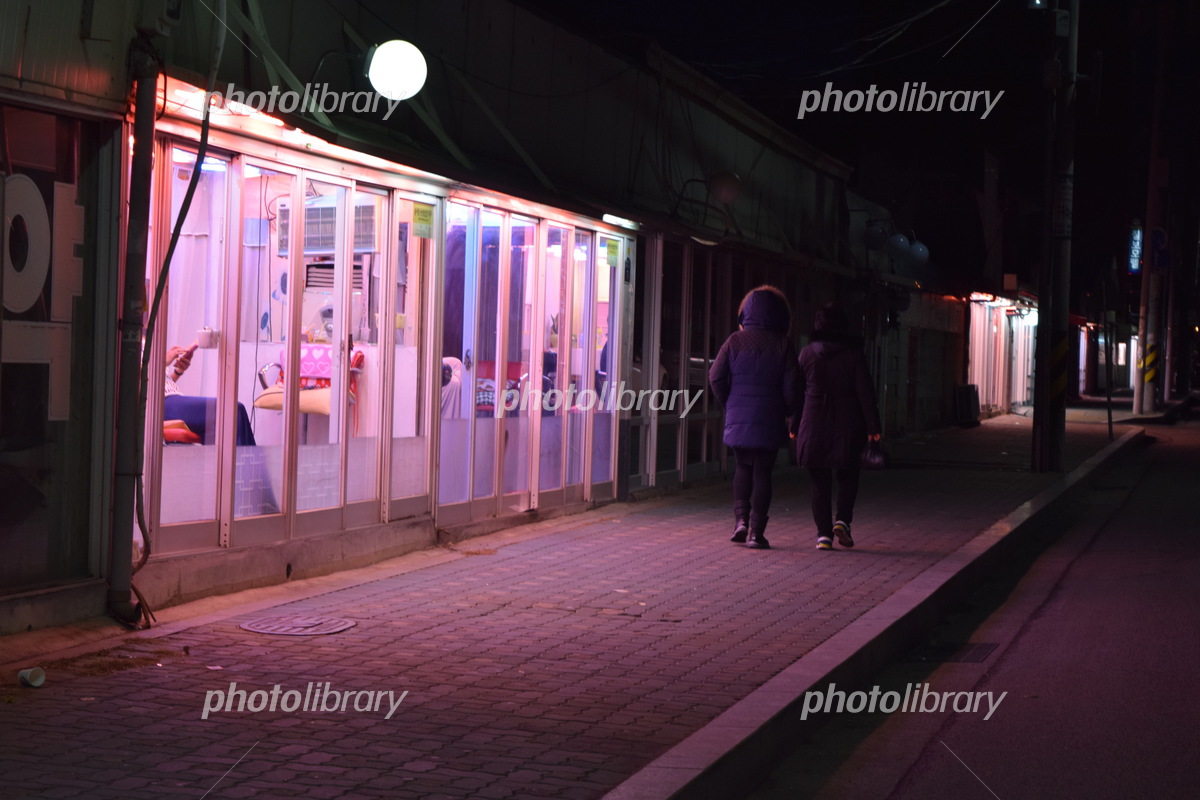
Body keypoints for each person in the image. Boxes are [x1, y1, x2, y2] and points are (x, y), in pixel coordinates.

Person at [709, 286, 800, 549]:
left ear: (746, 314)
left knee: (742, 468)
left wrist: (731, 403)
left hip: (739, 417)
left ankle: (740, 522)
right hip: (770, 418)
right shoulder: (782, 344)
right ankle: (756, 533)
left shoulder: (734, 341)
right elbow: (792, 386)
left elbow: (715, 376)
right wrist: (789, 411)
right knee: (763, 472)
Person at [791, 303, 881, 550]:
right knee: (848, 473)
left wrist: (794, 423)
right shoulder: (853, 354)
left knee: (819, 480)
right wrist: (873, 425)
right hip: (848, 424)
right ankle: (842, 520)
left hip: (813, 423)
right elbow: (865, 392)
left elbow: (798, 393)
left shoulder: (806, 354)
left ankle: (823, 536)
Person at [163, 342, 257, 446]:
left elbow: (161, 383)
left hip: (173, 398)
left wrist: (179, 371)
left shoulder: (150, 343)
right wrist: (162, 363)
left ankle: (226, 461)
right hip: (161, 404)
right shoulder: (144, 346)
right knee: (232, 411)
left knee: (229, 417)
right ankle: (245, 461)